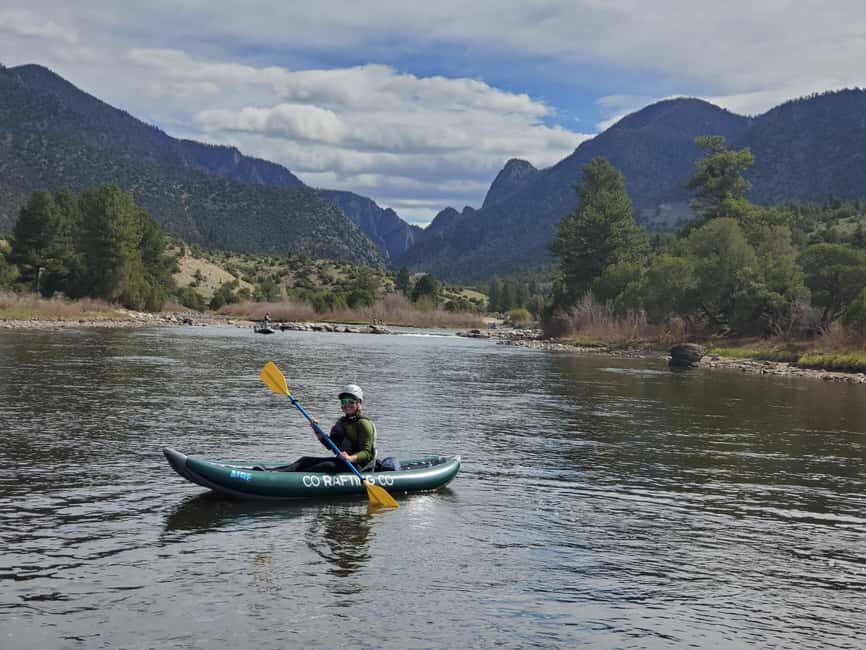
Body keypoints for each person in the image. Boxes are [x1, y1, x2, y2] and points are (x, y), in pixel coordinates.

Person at [279, 384, 376, 473]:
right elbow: (331, 445)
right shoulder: (342, 422)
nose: (346, 405)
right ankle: (275, 472)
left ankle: (290, 477)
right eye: (343, 402)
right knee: (304, 460)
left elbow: (367, 454)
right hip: (343, 462)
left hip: (357, 466)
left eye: (350, 402)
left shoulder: (364, 424)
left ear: (359, 403)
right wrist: (317, 430)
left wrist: (350, 458)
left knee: (327, 465)